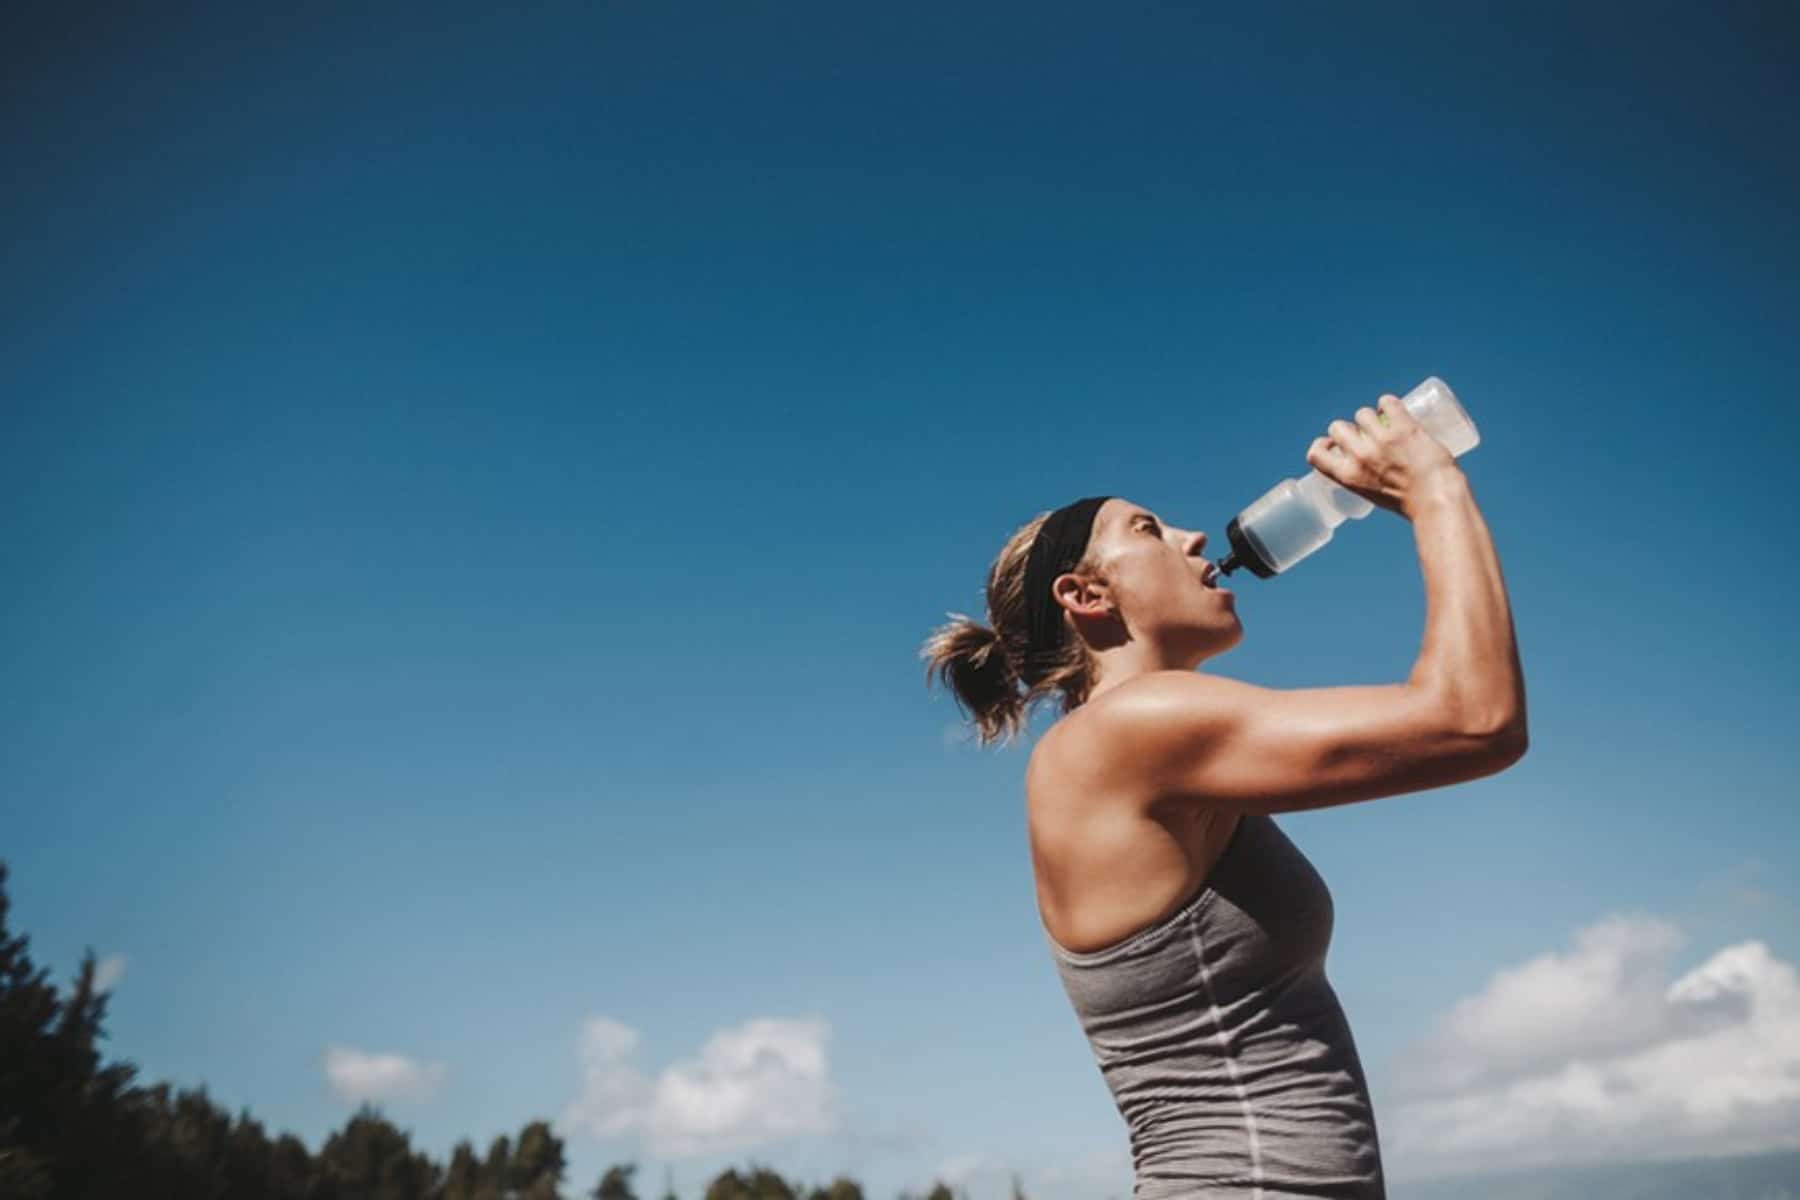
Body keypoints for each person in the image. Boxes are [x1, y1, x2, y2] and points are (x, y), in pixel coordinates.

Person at [919, 392, 1528, 1198]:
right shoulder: (1130, 729)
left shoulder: (1133, 750)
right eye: (1147, 529)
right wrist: (1433, 489)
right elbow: (1474, 720)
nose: (1193, 536)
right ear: (1086, 596)